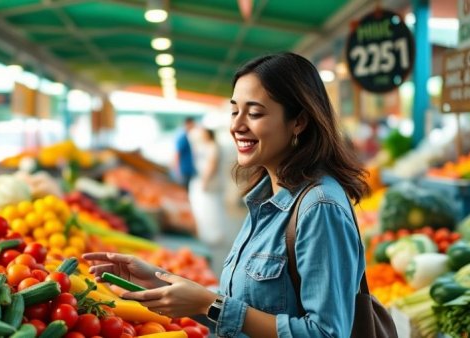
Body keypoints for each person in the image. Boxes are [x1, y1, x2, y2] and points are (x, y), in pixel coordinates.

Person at [83, 52, 369, 337]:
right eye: (234, 111)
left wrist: (210, 304)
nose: (236, 126)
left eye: (255, 113)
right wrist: (159, 281)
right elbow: (246, 305)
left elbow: (326, 333)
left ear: (299, 122)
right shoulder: (268, 199)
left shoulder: (319, 208)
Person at [188, 127, 227, 246]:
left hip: (209, 182)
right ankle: (207, 234)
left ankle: (213, 235)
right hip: (204, 180)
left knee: (210, 209)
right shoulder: (206, 145)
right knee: (205, 209)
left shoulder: (213, 146)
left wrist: (205, 181)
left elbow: (212, 164)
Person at [174, 117, 196, 190]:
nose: (194, 126)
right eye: (192, 124)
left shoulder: (188, 136)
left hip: (188, 168)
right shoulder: (182, 137)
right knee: (184, 189)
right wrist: (177, 170)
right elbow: (177, 154)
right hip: (184, 170)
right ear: (187, 124)